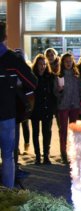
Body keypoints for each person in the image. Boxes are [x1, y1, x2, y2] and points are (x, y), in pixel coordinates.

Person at [0, 22, 37, 188]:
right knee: (8, 155)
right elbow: (32, 82)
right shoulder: (11, 59)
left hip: (7, 114)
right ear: (5, 36)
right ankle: (7, 192)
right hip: (6, 114)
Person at [53, 53, 81, 164]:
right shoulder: (59, 76)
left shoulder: (76, 76)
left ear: (73, 62)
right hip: (63, 106)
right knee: (63, 130)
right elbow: (55, 92)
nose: (68, 63)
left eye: (70, 61)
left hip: (75, 105)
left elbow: (80, 90)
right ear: (62, 63)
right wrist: (59, 91)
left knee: (74, 130)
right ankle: (63, 153)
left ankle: (73, 151)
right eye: (66, 61)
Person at [31, 54, 57, 165]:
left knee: (47, 133)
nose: (42, 66)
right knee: (36, 133)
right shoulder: (32, 76)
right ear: (36, 65)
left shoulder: (51, 76)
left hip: (47, 108)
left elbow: (54, 94)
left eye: (44, 64)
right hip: (35, 109)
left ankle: (46, 155)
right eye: (40, 64)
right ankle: (37, 156)